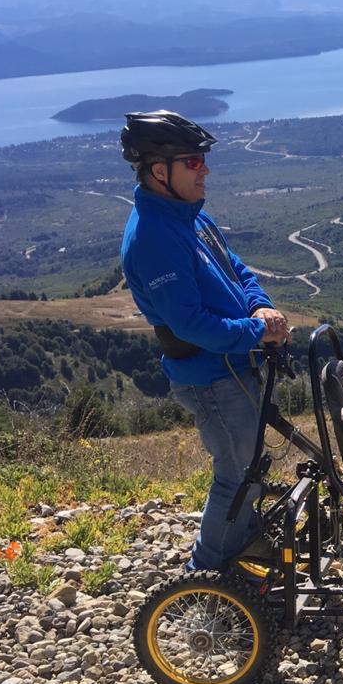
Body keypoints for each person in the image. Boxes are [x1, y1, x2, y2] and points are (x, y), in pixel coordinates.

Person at [119, 111, 290, 572]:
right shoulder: (153, 237)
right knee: (235, 475)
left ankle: (242, 549)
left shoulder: (190, 217)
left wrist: (260, 308)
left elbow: (237, 269)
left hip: (232, 368)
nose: (205, 169)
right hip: (210, 378)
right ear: (160, 170)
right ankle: (208, 575)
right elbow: (190, 323)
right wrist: (258, 332)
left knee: (249, 470)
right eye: (193, 161)